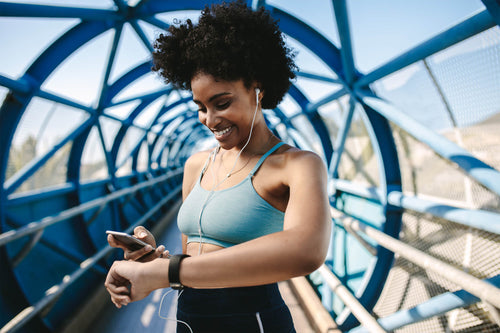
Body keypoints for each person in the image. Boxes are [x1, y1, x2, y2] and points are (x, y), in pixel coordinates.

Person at [104, 1, 331, 332]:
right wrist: (154, 261)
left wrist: (165, 273)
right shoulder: (197, 165)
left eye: (222, 103)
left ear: (258, 89)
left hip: (254, 322)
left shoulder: (296, 165)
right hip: (190, 319)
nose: (210, 120)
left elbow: (306, 250)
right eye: (201, 106)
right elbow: (193, 263)